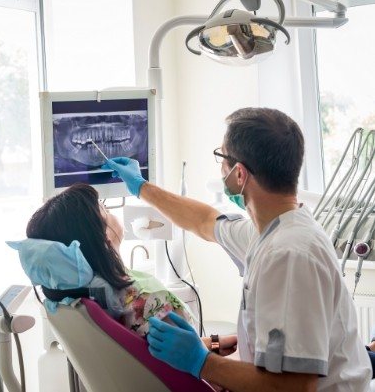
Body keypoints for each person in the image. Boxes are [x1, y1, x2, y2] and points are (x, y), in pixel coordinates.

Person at [101, 107, 372, 391]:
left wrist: (202, 361)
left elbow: (294, 386)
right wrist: (141, 187)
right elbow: (204, 221)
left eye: (222, 157)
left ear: (239, 174)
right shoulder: (270, 230)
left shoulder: (290, 255)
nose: (220, 167)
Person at [23, 183, 193, 337]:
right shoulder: (147, 304)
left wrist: (217, 342)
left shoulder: (72, 300)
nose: (111, 213)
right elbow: (194, 356)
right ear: (104, 238)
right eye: (105, 209)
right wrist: (216, 344)